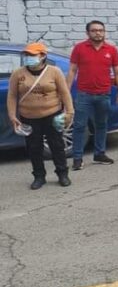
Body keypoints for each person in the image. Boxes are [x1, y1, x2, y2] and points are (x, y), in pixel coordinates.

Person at [7, 42, 75, 189]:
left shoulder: (54, 72)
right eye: (26, 55)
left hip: (52, 115)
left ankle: (62, 174)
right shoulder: (18, 74)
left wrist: (70, 112)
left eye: (32, 55)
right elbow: (12, 96)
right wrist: (12, 116)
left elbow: (64, 93)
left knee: (57, 146)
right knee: (34, 148)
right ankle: (39, 176)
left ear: (43, 56)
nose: (28, 57)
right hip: (29, 117)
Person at [66, 20, 118, 170]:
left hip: (103, 94)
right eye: (94, 30)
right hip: (83, 95)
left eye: (101, 30)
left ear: (104, 32)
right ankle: (77, 158)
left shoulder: (111, 50)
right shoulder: (79, 48)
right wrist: (65, 94)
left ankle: (99, 154)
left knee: (101, 125)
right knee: (79, 126)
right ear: (88, 33)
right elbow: (72, 71)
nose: (98, 33)